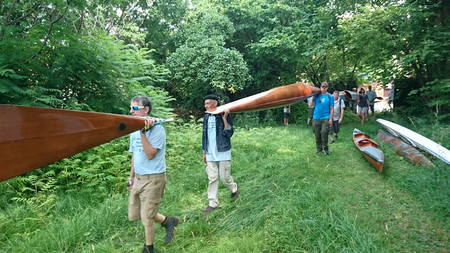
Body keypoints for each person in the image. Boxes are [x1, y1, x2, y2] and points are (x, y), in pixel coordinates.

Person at [128, 95, 179, 253]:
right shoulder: (133, 129)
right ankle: (168, 221)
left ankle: (148, 248)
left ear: (146, 109)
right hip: (139, 178)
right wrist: (131, 178)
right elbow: (135, 155)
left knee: (147, 217)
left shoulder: (158, 129)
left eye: (135, 108)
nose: (131, 111)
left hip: (154, 178)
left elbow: (150, 154)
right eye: (130, 107)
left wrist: (143, 132)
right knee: (136, 213)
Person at [202, 94, 239, 213]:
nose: (206, 106)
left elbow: (229, 133)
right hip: (210, 153)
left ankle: (234, 188)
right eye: (205, 103)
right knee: (212, 178)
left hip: (223, 151)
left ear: (215, 104)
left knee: (225, 177)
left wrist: (224, 118)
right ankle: (212, 203)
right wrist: (204, 152)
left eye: (208, 103)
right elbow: (204, 136)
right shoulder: (206, 117)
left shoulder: (224, 114)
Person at [309, 82, 334, 155]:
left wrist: (330, 118)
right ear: (320, 87)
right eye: (322, 87)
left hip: (325, 118)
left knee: (324, 132)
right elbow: (310, 105)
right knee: (317, 134)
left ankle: (325, 148)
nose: (324, 88)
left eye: (325, 87)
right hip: (316, 117)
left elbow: (332, 108)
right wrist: (312, 96)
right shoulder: (317, 95)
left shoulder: (330, 96)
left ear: (327, 88)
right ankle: (319, 149)